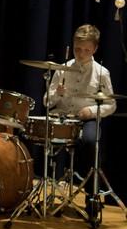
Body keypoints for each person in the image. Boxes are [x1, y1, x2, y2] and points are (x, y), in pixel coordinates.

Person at [46, 24, 116, 207]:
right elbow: (47, 102)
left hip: (86, 119)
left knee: (91, 142)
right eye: (77, 49)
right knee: (37, 133)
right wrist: (57, 94)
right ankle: (44, 188)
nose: (81, 54)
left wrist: (90, 111)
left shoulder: (102, 73)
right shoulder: (62, 68)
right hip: (62, 117)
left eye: (86, 50)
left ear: (95, 49)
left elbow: (111, 104)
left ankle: (91, 195)